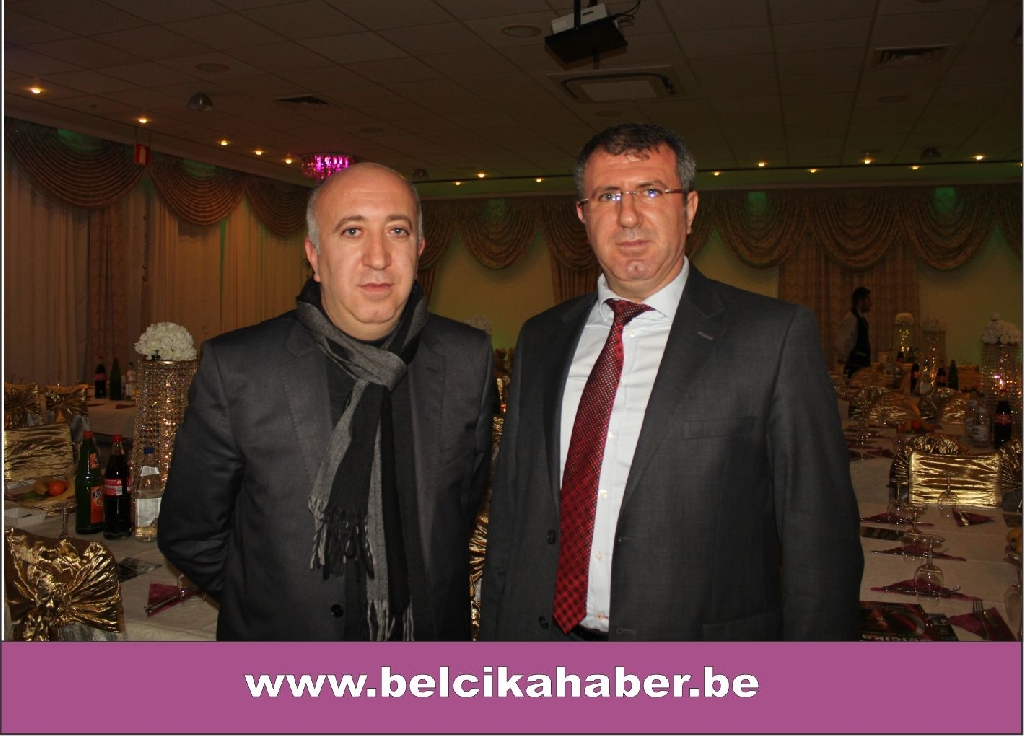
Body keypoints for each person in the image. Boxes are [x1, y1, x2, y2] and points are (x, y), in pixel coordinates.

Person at [479, 122, 863, 641]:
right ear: (582, 215)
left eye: (652, 191)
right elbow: (510, 511)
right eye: (608, 195)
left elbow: (819, 537)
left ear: (690, 208)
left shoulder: (771, 337)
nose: (628, 216)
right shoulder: (542, 337)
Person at [159, 163, 495, 641]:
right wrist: (273, 604)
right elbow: (191, 534)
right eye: (352, 231)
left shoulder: (466, 359)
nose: (378, 258)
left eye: (397, 231)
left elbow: (459, 509)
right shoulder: (239, 367)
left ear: (420, 249)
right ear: (314, 256)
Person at [835, 286, 872, 378]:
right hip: (854, 370)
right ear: (860, 301)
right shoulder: (851, 318)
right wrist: (848, 361)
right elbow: (839, 344)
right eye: (868, 300)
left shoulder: (861, 319)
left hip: (859, 368)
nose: (870, 303)